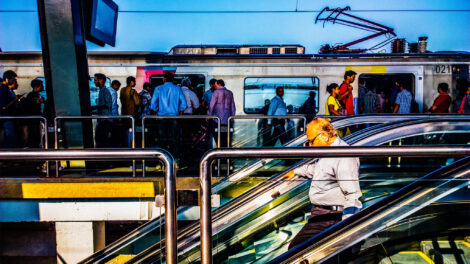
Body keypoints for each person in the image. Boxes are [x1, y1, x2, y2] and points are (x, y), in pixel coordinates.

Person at [284, 118, 361, 249]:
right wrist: (296, 171)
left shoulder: (343, 156)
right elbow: (319, 169)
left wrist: (346, 229)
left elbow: (352, 194)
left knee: (295, 252)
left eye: (311, 141)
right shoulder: (329, 151)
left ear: (324, 136)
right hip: (321, 214)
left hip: (331, 217)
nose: (310, 146)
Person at [150, 72, 187, 154]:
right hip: (174, 117)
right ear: (172, 79)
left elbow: (153, 105)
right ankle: (175, 160)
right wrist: (179, 114)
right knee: (174, 139)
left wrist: (155, 115)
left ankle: (162, 161)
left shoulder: (158, 89)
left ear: (164, 79)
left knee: (162, 139)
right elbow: (184, 104)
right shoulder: (178, 88)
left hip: (161, 118)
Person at [208, 79, 236, 147]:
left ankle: (219, 153)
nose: (215, 86)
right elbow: (233, 106)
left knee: (219, 139)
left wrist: (208, 116)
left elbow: (212, 105)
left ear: (218, 84)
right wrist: (232, 118)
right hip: (227, 121)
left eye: (215, 85)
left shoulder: (216, 92)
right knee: (226, 138)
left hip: (217, 121)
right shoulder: (230, 93)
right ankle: (226, 155)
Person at [21, 78, 45, 148]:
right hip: (33, 120)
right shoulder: (32, 96)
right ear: (35, 87)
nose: (42, 87)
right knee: (34, 135)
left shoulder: (36, 95)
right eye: (41, 85)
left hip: (35, 120)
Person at [93, 73, 113, 147]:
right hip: (102, 119)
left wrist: (95, 107)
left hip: (106, 119)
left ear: (101, 80)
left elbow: (108, 105)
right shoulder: (101, 91)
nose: (94, 82)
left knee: (102, 140)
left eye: (95, 80)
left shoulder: (105, 91)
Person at [0, 70, 20, 148]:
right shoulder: (4, 88)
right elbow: (4, 105)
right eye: (13, 79)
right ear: (7, 79)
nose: (14, 81)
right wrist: (15, 100)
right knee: (10, 135)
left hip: (5, 116)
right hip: (5, 116)